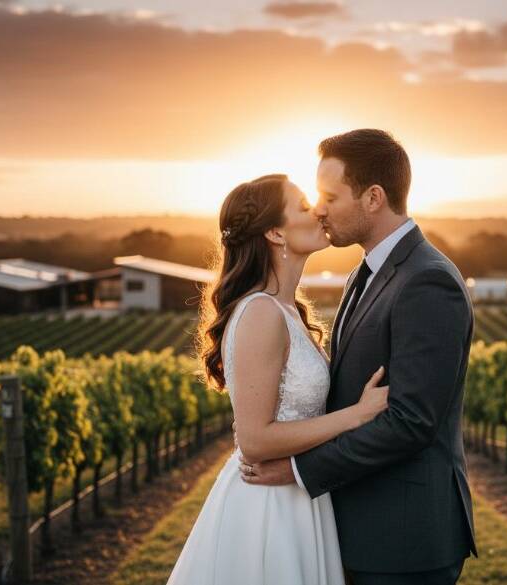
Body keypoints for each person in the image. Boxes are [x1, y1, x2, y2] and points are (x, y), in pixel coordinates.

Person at [238, 129, 478, 585]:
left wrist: (298, 469)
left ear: (373, 198)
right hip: (358, 525)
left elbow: (411, 421)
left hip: (402, 538)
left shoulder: (428, 282)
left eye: (330, 195)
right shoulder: (366, 272)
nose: (319, 207)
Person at [165, 172, 389, 585]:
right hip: (269, 508)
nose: (319, 210)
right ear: (274, 232)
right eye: (304, 206)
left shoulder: (287, 311)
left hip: (300, 495)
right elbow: (254, 440)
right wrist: (356, 416)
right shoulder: (261, 314)